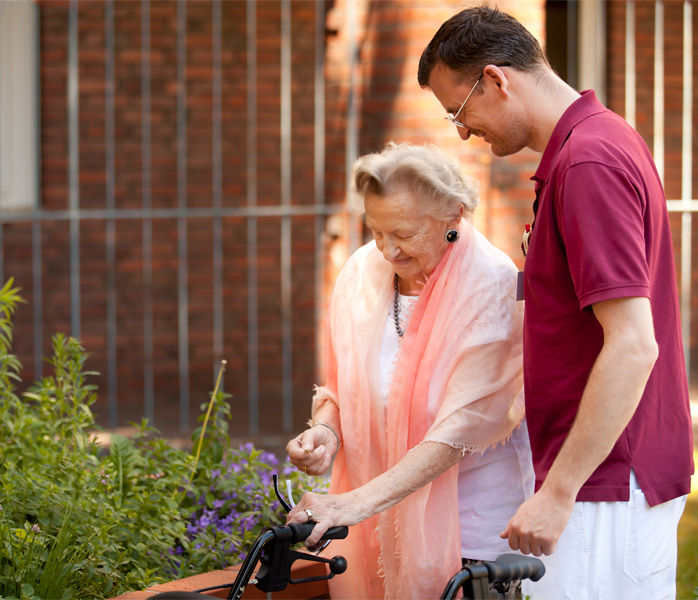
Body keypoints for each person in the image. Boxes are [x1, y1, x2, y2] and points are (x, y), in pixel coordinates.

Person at [418, 6, 694, 600]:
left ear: (496, 80)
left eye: (458, 112)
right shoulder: (595, 141)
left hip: (603, 486)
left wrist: (559, 492)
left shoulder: (587, 162)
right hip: (605, 475)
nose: (462, 132)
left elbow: (632, 344)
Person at [285, 141, 533, 599]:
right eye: (376, 230)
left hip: (467, 532)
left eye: (403, 232)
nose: (387, 249)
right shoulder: (361, 271)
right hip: (372, 516)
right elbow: (344, 385)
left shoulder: (493, 287)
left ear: (453, 217)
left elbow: (457, 432)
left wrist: (354, 503)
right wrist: (327, 430)